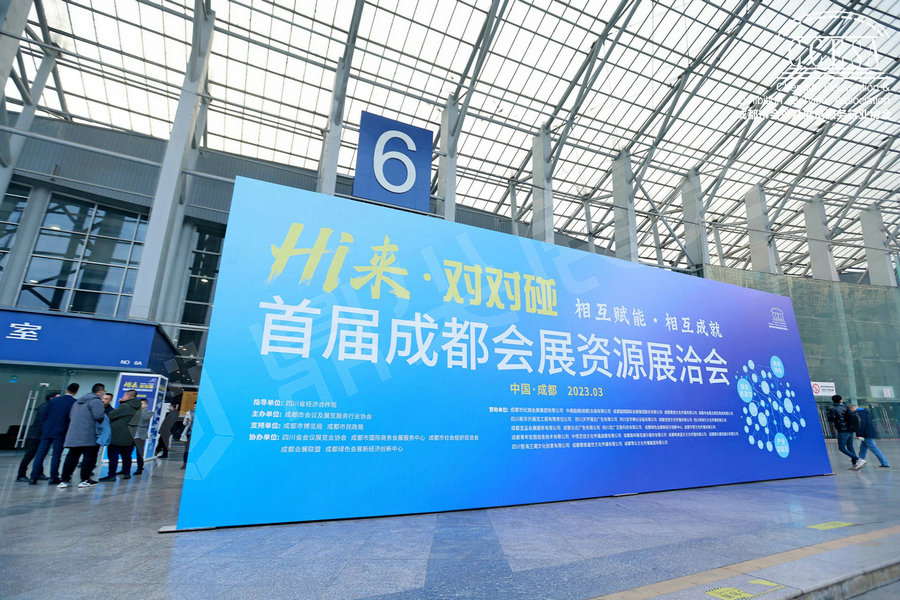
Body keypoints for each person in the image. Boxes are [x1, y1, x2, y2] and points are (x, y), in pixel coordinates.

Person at [29, 383, 80, 485]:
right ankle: (54, 477)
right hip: (61, 431)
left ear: (66, 390)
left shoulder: (54, 400)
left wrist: (46, 427)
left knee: (40, 454)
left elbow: (45, 415)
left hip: (47, 430)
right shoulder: (74, 403)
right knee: (56, 455)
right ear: (76, 392)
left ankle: (33, 477)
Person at [58, 383, 106, 488]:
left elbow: (71, 416)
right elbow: (98, 416)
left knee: (72, 456)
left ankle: (64, 480)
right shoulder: (96, 401)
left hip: (74, 434)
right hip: (89, 434)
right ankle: (85, 480)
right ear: (100, 391)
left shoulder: (77, 402)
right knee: (89, 457)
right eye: (104, 391)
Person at [17, 391, 58, 482]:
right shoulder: (46, 407)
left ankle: (39, 473)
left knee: (40, 455)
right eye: (57, 397)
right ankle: (21, 475)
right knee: (29, 456)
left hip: (39, 434)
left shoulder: (45, 406)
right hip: (36, 435)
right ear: (51, 398)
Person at [102, 390, 141, 481]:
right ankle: (126, 473)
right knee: (126, 456)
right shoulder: (138, 407)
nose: (122, 397)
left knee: (113, 456)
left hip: (117, 436)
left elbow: (111, 415)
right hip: (129, 436)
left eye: (124, 395)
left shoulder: (125, 406)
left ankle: (111, 475)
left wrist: (121, 404)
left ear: (129, 396)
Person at [848, 404, 890, 469]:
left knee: (874, 448)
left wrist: (858, 434)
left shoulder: (859, 414)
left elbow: (861, 424)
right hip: (869, 433)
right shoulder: (865, 412)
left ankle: (884, 463)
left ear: (851, 408)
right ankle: (860, 462)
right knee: (863, 449)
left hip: (866, 434)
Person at [827, 394, 860, 469]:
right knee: (850, 447)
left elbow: (831, 419)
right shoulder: (846, 408)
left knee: (842, 448)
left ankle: (858, 459)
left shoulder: (833, 409)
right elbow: (852, 418)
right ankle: (855, 463)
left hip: (842, 430)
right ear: (841, 400)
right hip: (850, 430)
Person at [129, 398, 152, 475]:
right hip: (132, 434)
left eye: (141, 404)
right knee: (127, 452)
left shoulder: (148, 412)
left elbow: (145, 418)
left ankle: (139, 468)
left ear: (146, 405)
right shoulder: (135, 411)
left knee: (139, 453)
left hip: (140, 435)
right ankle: (125, 469)